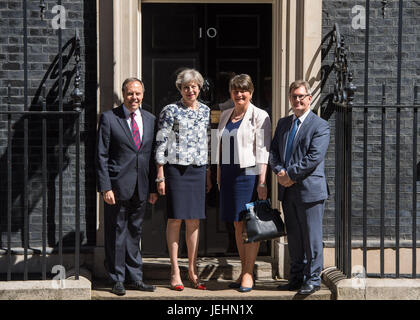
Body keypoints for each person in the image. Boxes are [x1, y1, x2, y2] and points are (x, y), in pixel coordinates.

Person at [96, 78, 158, 296]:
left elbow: (150, 157)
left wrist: (152, 187)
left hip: (141, 186)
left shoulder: (150, 119)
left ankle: (135, 278)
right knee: (116, 232)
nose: (134, 98)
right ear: (123, 94)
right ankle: (117, 279)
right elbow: (101, 155)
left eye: (138, 94)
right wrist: (105, 187)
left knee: (135, 232)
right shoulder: (109, 118)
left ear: (143, 95)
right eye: (130, 93)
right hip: (117, 186)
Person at [269, 80, 330, 295]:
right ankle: (295, 278)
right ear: (289, 98)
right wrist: (279, 172)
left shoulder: (320, 125)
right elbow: (273, 152)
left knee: (311, 237)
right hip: (288, 190)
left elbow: (314, 157)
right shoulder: (284, 123)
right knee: (294, 236)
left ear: (309, 98)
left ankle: (313, 280)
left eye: (301, 96)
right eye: (294, 96)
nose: (298, 100)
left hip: (310, 190)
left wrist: (290, 175)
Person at [155, 69, 212, 291]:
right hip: (176, 170)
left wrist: (207, 172)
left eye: (194, 86)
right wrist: (160, 174)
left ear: (199, 88)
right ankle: (175, 271)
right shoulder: (170, 110)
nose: (190, 90)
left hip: (197, 170)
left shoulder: (206, 111)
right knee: (175, 219)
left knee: (194, 220)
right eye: (186, 87)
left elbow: (208, 142)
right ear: (181, 89)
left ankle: (192, 270)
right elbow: (160, 141)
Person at [216, 74, 272, 292]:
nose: (239, 94)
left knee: (249, 225)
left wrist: (262, 181)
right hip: (228, 174)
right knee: (237, 225)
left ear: (251, 92)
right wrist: (217, 174)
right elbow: (217, 146)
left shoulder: (260, 115)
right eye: (235, 91)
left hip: (248, 173)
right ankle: (243, 270)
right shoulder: (225, 114)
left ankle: (249, 273)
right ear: (231, 93)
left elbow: (263, 150)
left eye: (243, 91)